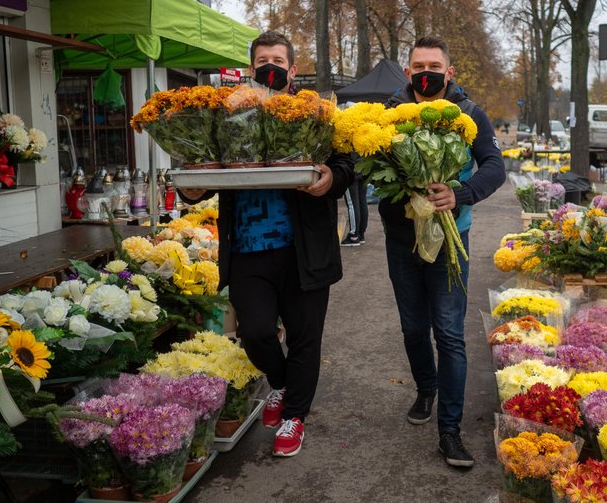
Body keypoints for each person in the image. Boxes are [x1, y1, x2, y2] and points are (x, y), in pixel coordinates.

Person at [179, 31, 354, 458]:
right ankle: (279, 383)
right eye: (263, 60)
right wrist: (191, 190)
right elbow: (201, 165)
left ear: (293, 70)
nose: (270, 66)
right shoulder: (228, 112)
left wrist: (332, 179)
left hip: (304, 250)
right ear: (251, 67)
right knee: (255, 333)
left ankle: (294, 416)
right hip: (248, 248)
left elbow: (347, 164)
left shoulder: (318, 112)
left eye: (278, 60)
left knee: (305, 338)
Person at [379, 36, 505, 467]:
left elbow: (495, 165)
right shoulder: (390, 115)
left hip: (454, 238)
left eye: (435, 65)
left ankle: (449, 431)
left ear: (449, 72)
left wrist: (462, 193)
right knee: (414, 328)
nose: (426, 72)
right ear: (408, 70)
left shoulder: (468, 114)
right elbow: (371, 167)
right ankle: (426, 387)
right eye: (418, 66)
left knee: (449, 333)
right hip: (402, 239)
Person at [341, 151, 368, 246]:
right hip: (363, 166)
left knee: (352, 203)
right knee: (362, 202)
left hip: (351, 169)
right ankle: (361, 234)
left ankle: (353, 235)